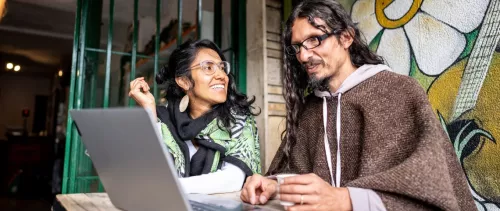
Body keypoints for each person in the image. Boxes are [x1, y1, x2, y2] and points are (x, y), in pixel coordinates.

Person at [240, 0, 476, 210]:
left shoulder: (398, 92)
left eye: (314, 40)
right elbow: (293, 172)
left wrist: (346, 200)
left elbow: (432, 184)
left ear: (346, 37)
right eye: (298, 47)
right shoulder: (309, 111)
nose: (303, 56)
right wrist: (272, 184)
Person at [129, 39, 261, 194]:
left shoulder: (238, 121)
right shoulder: (164, 119)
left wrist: (168, 187)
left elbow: (233, 179)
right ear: (184, 81)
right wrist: (149, 113)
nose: (221, 76)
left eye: (222, 68)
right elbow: (148, 171)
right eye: (208, 67)